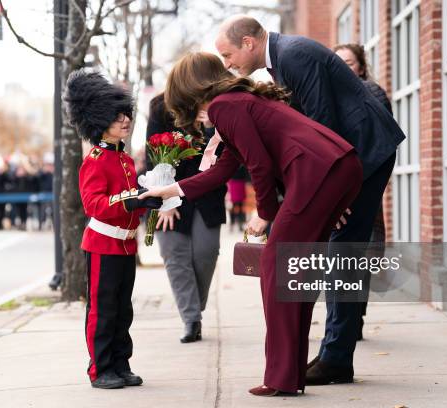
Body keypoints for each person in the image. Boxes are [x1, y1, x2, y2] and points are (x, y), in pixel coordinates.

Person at [139, 52, 363, 396]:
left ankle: (281, 378)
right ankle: (290, 375)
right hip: (334, 167)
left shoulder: (224, 107)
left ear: (188, 86)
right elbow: (222, 170)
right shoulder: (236, 102)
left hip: (319, 172)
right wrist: (168, 190)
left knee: (277, 267)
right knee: (296, 273)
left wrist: (266, 212)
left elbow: (258, 164)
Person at [214, 15, 406, 385]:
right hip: (351, 155)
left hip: (364, 152)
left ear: (249, 43)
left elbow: (322, 122)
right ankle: (335, 353)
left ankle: (336, 357)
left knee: (343, 252)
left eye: (228, 55)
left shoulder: (294, 55)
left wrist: (332, 189)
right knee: (338, 250)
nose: (228, 64)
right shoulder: (282, 58)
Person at [63, 68, 163, 389]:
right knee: (102, 312)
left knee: (123, 311)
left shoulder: (125, 160)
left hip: (125, 245)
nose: (125, 120)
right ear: (100, 120)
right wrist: (130, 201)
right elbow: (94, 205)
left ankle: (120, 364)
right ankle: (100, 368)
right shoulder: (94, 160)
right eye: (118, 116)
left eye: (126, 114)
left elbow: (130, 197)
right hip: (103, 245)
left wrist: (147, 201)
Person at [146, 94, 226, 343]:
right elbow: (154, 155)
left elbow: (230, 157)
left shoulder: (216, 105)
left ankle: (193, 307)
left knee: (206, 253)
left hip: (206, 193)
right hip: (167, 193)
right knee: (174, 255)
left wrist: (213, 126)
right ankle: (191, 320)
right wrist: (166, 201)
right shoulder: (161, 106)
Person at [334, 42, 394, 340]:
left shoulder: (373, 93)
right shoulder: (329, 97)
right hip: (339, 190)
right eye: (338, 62)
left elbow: (380, 143)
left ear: (360, 66)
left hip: (364, 185)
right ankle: (346, 318)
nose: (345, 67)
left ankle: (355, 317)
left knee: (363, 256)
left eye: (349, 62)